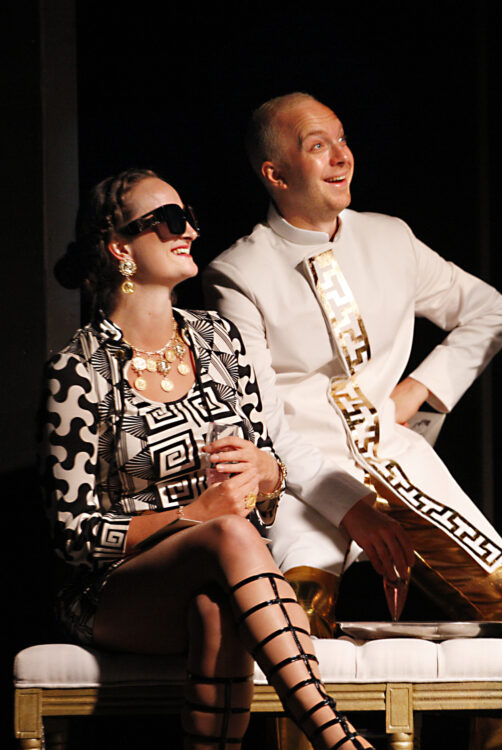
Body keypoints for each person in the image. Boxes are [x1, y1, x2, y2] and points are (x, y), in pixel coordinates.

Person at [203, 92, 502, 749]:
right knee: (295, 616)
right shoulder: (236, 273)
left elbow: (493, 311)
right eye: (317, 144)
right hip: (303, 478)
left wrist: (416, 393)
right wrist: (350, 507)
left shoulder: (390, 238)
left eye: (343, 138)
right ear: (276, 172)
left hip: (396, 455)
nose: (342, 154)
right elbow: (266, 423)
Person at [42, 168, 372, 750]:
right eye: (168, 221)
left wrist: (265, 474)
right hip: (119, 591)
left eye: (189, 216)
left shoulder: (221, 340)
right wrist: (191, 517)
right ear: (121, 246)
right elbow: (74, 535)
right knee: (226, 536)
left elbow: (265, 472)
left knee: (217, 608)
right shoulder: (78, 368)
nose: (188, 230)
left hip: (228, 574)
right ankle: (336, 736)